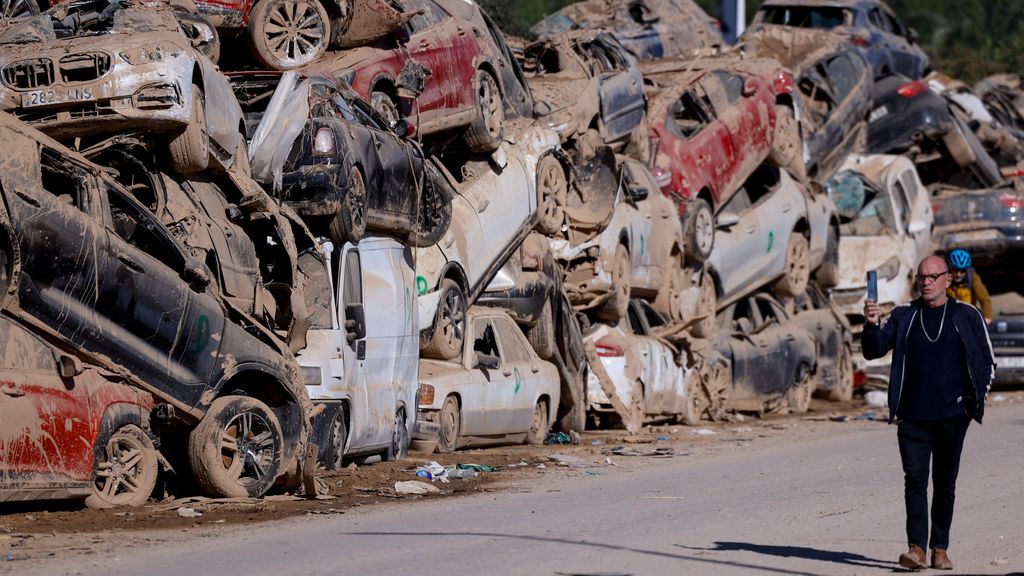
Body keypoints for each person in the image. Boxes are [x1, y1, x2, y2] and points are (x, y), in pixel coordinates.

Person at [862, 255, 994, 571]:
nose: (927, 282)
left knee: (945, 483)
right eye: (922, 277)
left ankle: (940, 548)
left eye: (933, 276)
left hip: (952, 417)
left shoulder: (967, 315)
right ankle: (916, 549)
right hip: (912, 417)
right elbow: (873, 350)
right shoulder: (904, 317)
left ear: (948, 280)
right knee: (916, 481)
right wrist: (870, 324)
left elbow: (986, 362)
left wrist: (970, 406)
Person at [945, 249, 993, 324]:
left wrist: (987, 318)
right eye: (955, 270)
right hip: (949, 317)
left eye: (962, 271)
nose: (958, 274)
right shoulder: (944, 277)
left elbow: (985, 299)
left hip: (968, 318)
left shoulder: (973, 278)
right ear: (950, 267)